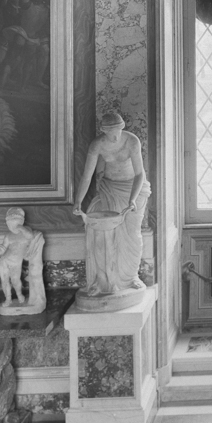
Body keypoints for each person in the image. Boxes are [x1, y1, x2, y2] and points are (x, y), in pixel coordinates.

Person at [73, 111, 150, 297]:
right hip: (109, 188)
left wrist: (132, 198)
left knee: (132, 234)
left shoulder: (131, 141)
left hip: (134, 189)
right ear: (104, 131)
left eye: (117, 131)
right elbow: (87, 176)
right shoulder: (97, 145)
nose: (114, 136)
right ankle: (103, 281)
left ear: (122, 128)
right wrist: (78, 202)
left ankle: (131, 277)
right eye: (110, 132)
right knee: (99, 230)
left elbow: (140, 174)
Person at [0, 207, 36, 307]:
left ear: (22, 221)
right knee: (4, 281)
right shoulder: (8, 235)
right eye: (10, 224)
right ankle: (8, 299)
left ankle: (19, 295)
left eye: (15, 223)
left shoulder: (26, 231)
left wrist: (20, 227)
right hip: (4, 260)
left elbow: (31, 237)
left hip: (16, 262)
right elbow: (3, 247)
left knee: (15, 281)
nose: (12, 226)